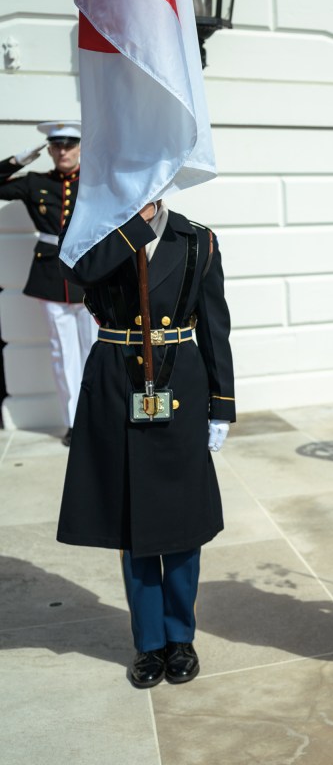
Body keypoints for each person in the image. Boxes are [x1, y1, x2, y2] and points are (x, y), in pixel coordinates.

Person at [56, 200, 235, 689]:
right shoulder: (96, 231)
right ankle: (148, 642)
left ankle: (180, 636)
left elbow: (215, 324)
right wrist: (133, 226)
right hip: (116, 382)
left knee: (181, 520)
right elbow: (74, 274)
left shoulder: (198, 238)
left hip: (179, 381)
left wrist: (222, 406)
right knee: (132, 522)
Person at [0, 121, 97, 445]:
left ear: (80, 147)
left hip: (91, 275)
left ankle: (98, 415)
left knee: (94, 352)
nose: (63, 151)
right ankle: (74, 422)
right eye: (57, 146)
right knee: (62, 354)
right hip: (51, 277)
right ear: (50, 149)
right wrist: (19, 160)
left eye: (69, 145)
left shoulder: (96, 179)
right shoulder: (35, 182)